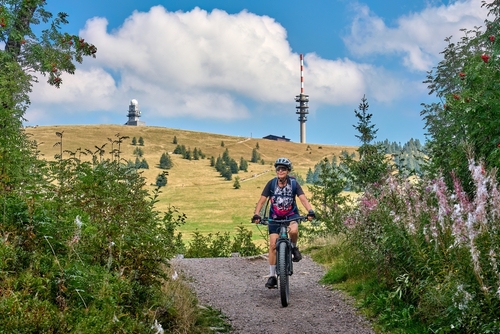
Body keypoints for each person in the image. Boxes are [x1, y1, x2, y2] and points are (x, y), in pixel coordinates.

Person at [252, 157, 315, 289]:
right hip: (274, 217)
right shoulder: (271, 184)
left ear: (288, 171)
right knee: (273, 245)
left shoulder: (293, 184)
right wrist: (256, 214)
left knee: (294, 230)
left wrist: (310, 210)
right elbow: (262, 201)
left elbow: (303, 199)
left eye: (283, 169)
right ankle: (272, 276)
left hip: (291, 215)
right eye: (278, 169)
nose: (280, 171)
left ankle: (293, 247)